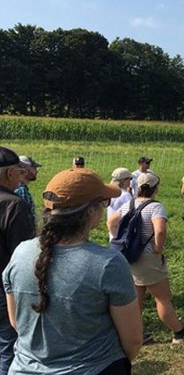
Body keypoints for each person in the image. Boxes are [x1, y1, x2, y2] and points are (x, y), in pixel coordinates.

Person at [3, 167, 142, 374]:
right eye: (104, 203)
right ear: (91, 211)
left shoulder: (21, 252)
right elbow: (132, 340)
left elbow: (16, 322)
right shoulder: (108, 263)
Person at [108, 173, 184, 345]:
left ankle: (136, 334)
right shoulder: (155, 207)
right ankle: (179, 333)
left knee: (137, 298)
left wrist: (120, 240)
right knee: (162, 298)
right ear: (155, 188)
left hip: (130, 256)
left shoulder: (129, 204)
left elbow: (111, 222)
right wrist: (157, 249)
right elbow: (159, 230)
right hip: (148, 258)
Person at [0, 147, 35, 373]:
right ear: (10, 173)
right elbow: (24, 255)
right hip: (5, 289)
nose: (22, 176)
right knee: (7, 348)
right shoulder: (14, 205)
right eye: (20, 172)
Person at [15, 156, 41, 230]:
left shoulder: (20, 188)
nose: (37, 171)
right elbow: (26, 217)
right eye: (34, 168)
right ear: (25, 170)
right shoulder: (21, 190)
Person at [107, 168, 134, 240]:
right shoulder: (125, 195)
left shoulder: (110, 193)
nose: (130, 181)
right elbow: (131, 213)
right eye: (129, 179)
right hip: (123, 234)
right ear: (124, 180)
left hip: (112, 231)